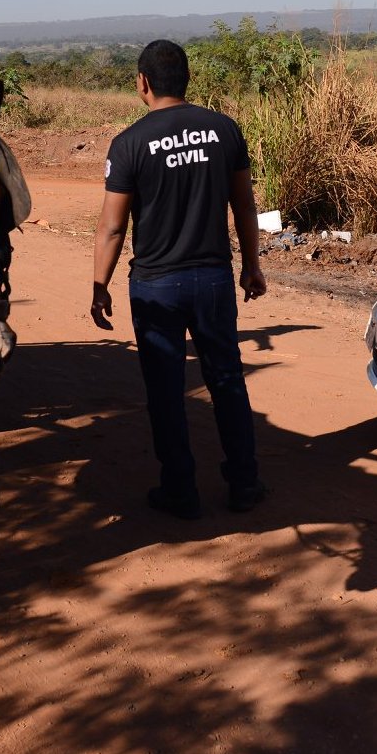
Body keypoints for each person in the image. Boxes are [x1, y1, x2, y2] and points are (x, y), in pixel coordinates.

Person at [90, 39, 269, 519]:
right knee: (227, 380)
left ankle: (180, 490)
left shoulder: (128, 143)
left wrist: (99, 285)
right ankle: (245, 483)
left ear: (143, 83)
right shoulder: (224, 130)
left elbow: (112, 225)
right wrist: (251, 266)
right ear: (186, 80)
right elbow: (244, 206)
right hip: (213, 280)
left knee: (166, 391)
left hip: (156, 287)